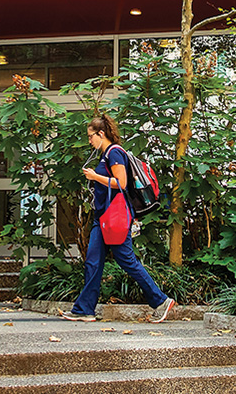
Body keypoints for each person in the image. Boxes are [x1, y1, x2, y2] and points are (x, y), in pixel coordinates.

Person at [60, 115, 176, 323]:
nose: (89, 141)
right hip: (103, 217)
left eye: (91, 137)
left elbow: (121, 183)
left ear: (101, 134)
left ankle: (160, 300)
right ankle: (84, 309)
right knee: (93, 262)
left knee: (127, 260)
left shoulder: (114, 153)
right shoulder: (106, 155)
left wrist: (95, 177)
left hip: (114, 217)